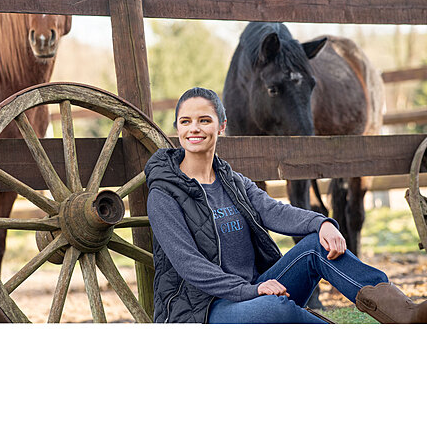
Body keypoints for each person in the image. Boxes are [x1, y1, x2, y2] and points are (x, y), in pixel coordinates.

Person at [145, 86, 427, 324]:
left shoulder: (232, 181)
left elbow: (273, 210)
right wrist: (251, 290)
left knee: (317, 245)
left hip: (255, 288)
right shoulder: (164, 193)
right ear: (177, 128)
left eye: (204, 120)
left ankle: (405, 315)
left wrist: (322, 223)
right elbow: (190, 266)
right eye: (185, 121)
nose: (194, 128)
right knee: (275, 309)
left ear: (221, 125)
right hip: (203, 310)